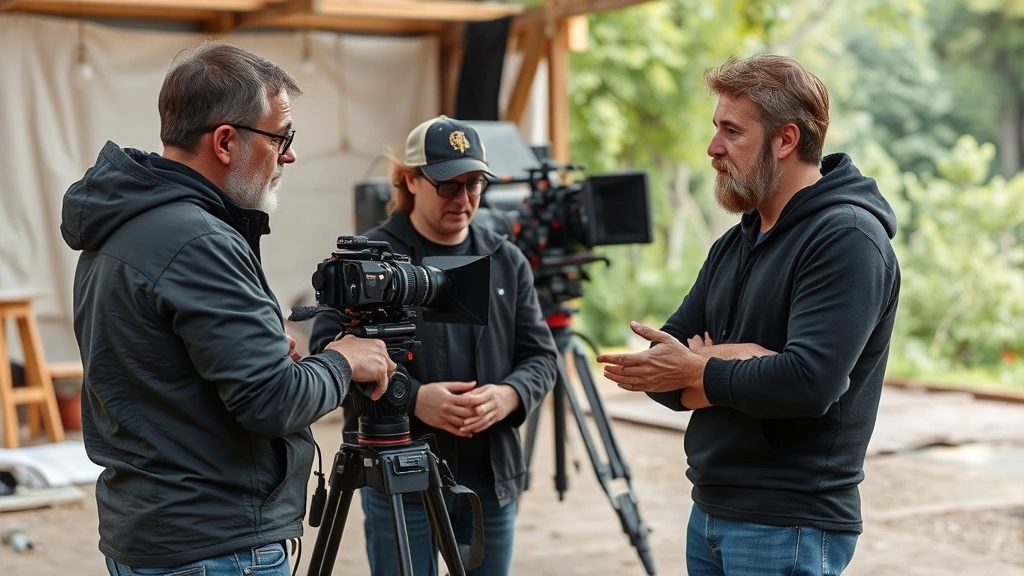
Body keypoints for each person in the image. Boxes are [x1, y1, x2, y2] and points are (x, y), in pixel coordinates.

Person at [59, 41, 396, 576]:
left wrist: (261, 354)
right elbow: (271, 402)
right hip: (216, 547)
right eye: (281, 136)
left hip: (152, 534)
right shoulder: (197, 241)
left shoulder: (119, 226)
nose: (289, 154)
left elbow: (160, 375)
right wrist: (344, 360)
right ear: (224, 141)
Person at [597, 54, 901, 575]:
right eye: (716, 128)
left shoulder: (846, 238)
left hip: (791, 525)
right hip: (710, 511)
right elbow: (658, 369)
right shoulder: (733, 244)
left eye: (732, 132)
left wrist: (701, 368)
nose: (714, 148)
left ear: (785, 140)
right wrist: (741, 360)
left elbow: (808, 384)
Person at [310, 115, 558, 576]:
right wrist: (415, 398)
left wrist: (508, 397)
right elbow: (329, 349)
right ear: (410, 180)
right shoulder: (365, 262)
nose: (463, 200)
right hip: (396, 470)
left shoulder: (507, 259)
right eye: (448, 185)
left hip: (490, 473)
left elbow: (542, 356)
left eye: (474, 184)